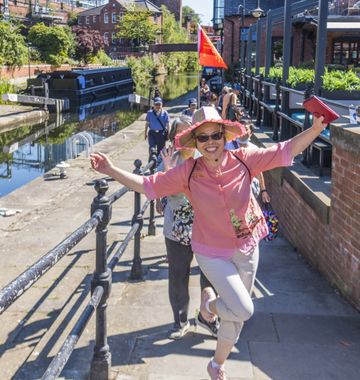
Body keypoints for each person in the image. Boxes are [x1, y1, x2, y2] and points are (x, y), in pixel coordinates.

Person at [90, 106, 327, 380]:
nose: (211, 142)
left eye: (216, 135)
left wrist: (317, 129)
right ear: (196, 143)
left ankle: (216, 364)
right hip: (211, 252)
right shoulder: (188, 172)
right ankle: (209, 307)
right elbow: (148, 185)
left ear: (225, 135)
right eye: (203, 138)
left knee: (235, 318)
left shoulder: (244, 159)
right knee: (243, 308)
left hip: (247, 245)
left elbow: (285, 150)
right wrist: (110, 168)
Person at [156, 115, 219, 340]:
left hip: (206, 228)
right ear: (173, 138)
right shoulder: (167, 158)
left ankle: (208, 317)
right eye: (178, 135)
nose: (182, 139)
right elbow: (159, 192)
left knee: (211, 276)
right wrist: (168, 172)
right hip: (176, 229)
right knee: (178, 275)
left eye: (187, 134)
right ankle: (180, 321)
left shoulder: (206, 158)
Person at [225, 122, 271, 204]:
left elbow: (258, 170)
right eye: (240, 128)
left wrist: (263, 190)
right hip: (229, 188)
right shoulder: (227, 145)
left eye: (246, 129)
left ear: (251, 133)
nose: (243, 131)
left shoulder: (254, 149)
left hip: (247, 189)